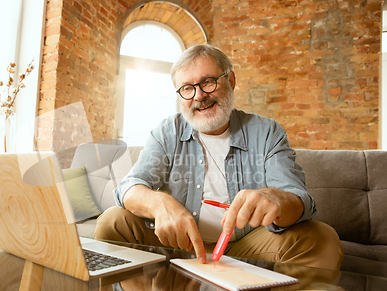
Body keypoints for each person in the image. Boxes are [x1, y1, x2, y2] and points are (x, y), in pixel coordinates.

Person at [95, 44, 343, 270]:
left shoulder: (267, 132)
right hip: (177, 243)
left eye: (209, 82)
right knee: (113, 222)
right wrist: (160, 204)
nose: (199, 96)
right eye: (187, 88)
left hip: (245, 245)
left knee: (322, 239)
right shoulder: (166, 132)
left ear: (231, 80)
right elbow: (128, 187)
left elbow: (300, 200)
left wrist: (277, 199)